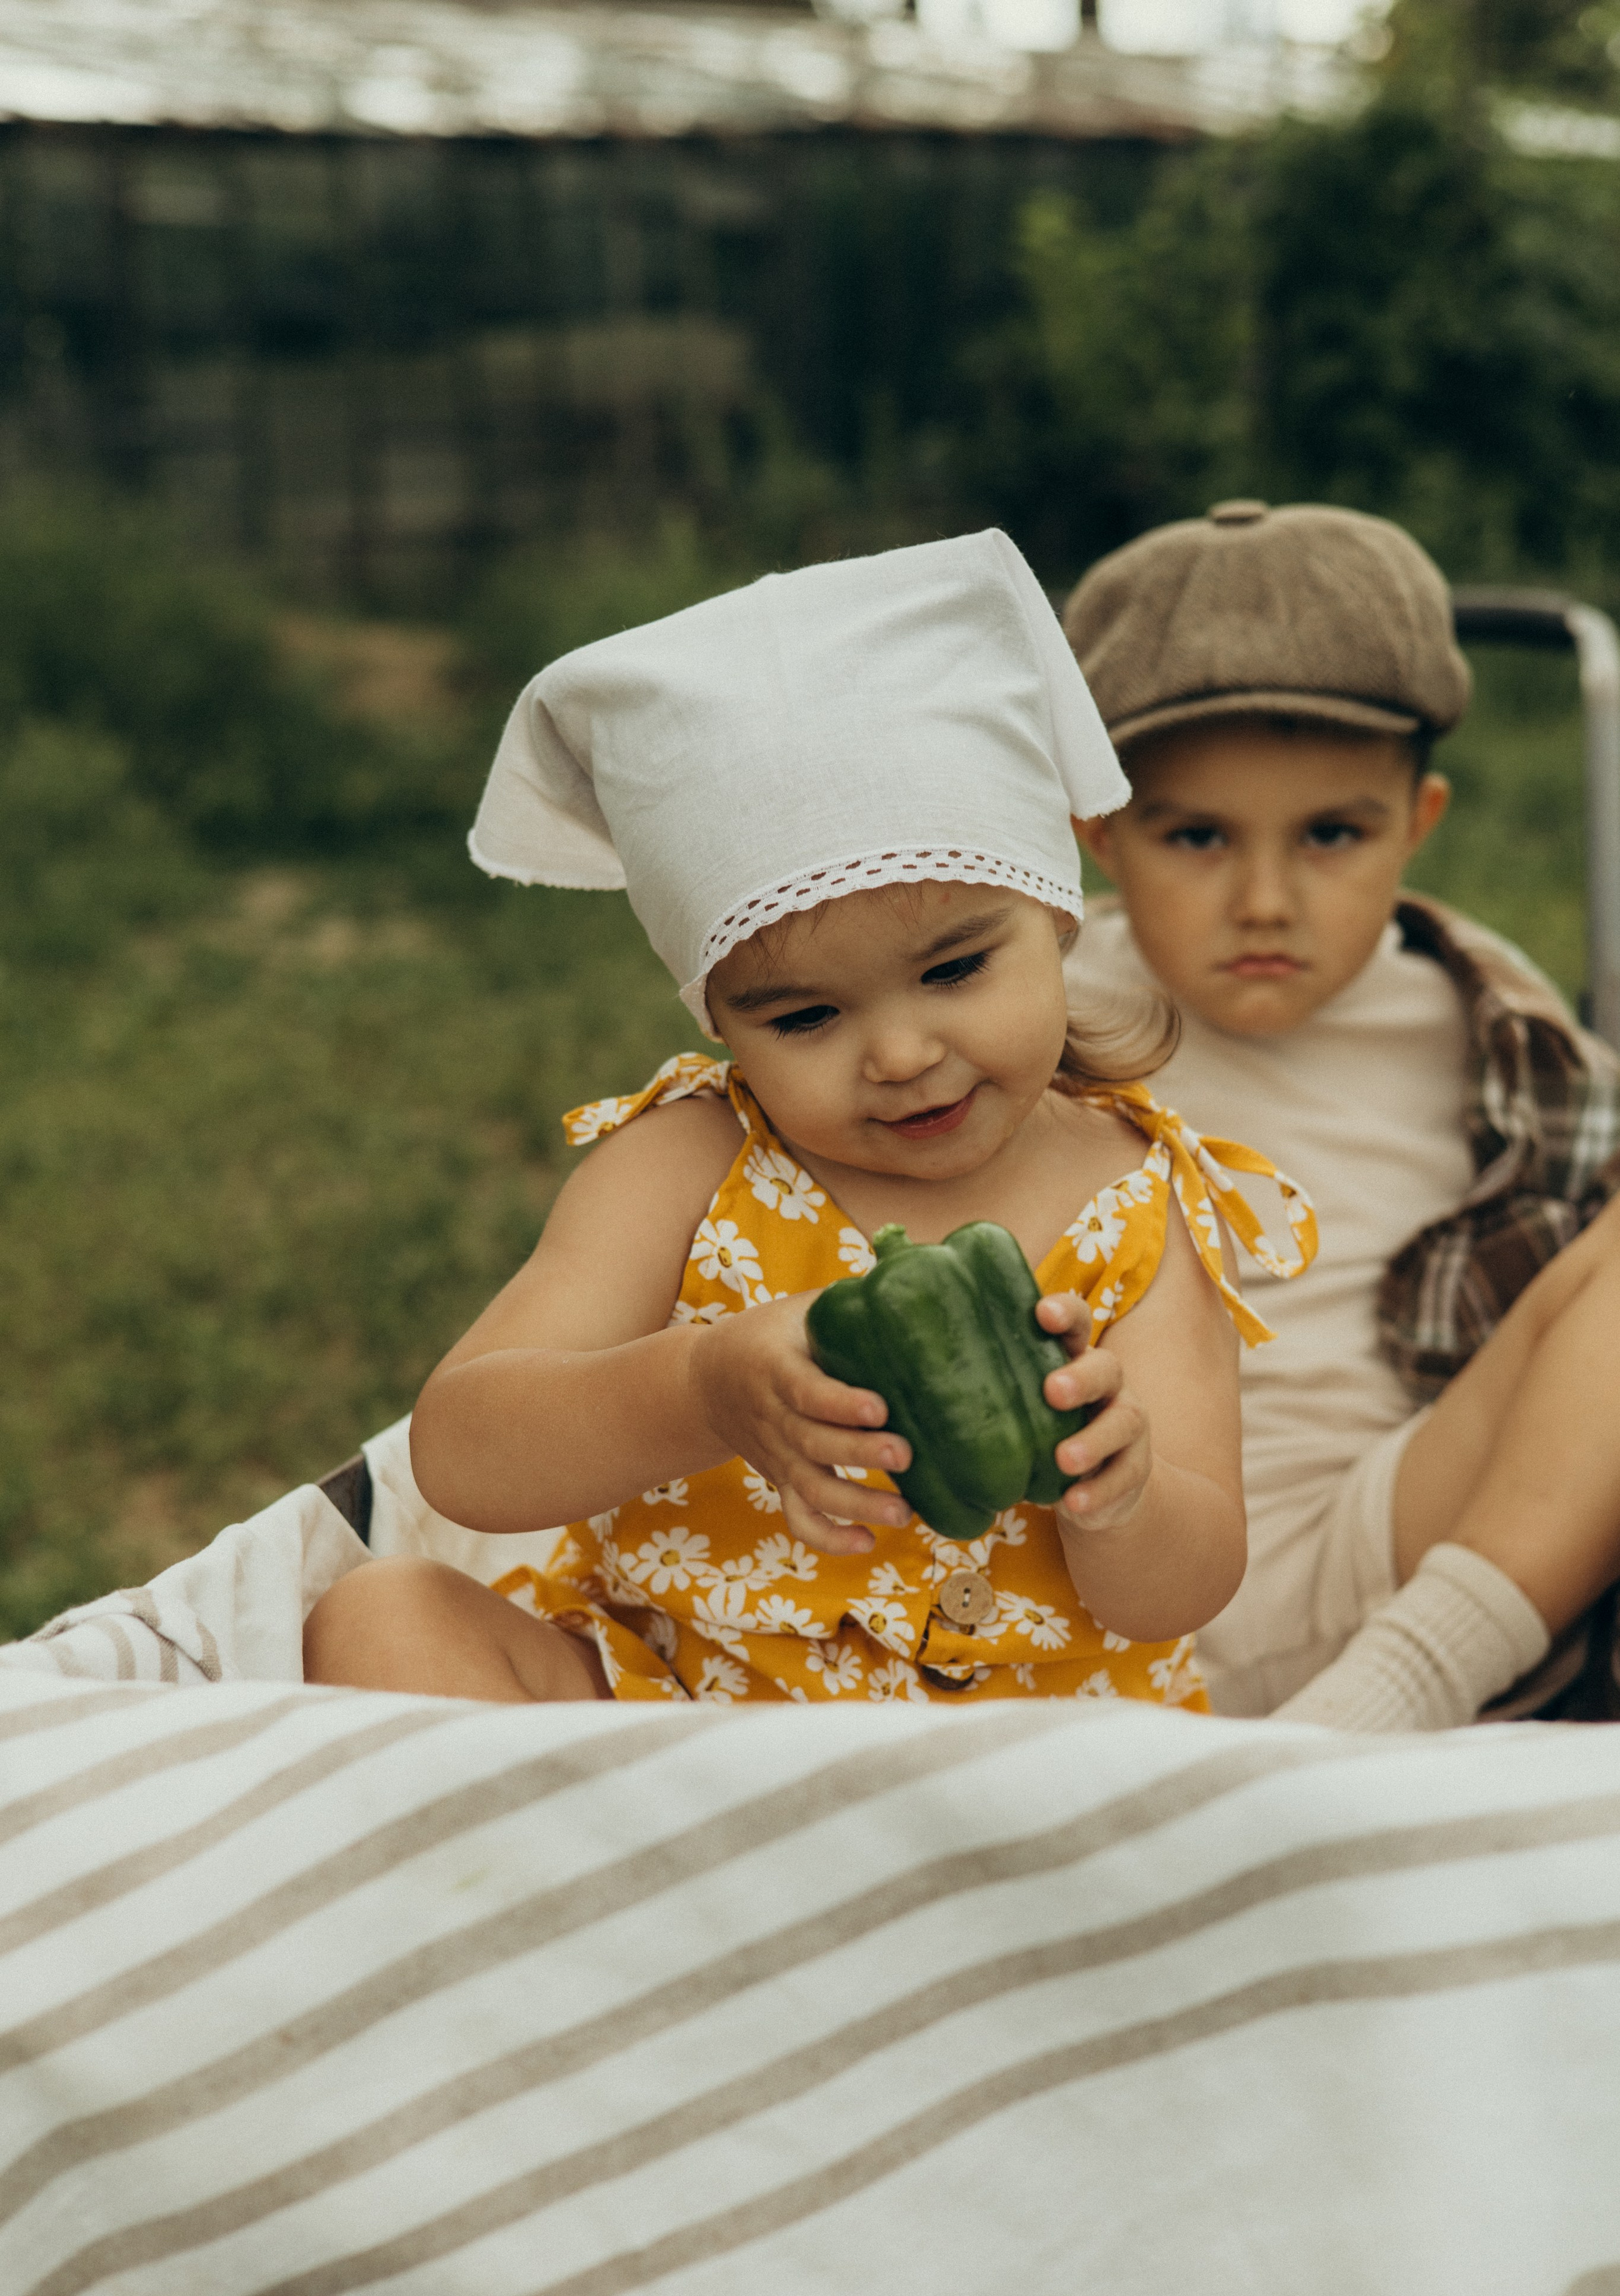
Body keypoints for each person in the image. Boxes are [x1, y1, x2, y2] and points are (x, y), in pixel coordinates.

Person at [304, 530, 1313, 1710]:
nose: (898, 1054)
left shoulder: (1134, 1197)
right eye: (805, 1015)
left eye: (952, 972)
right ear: (720, 1019)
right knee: (384, 1614)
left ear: (1058, 919)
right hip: (683, 1727)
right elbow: (462, 1454)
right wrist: (698, 1388)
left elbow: (1184, 1592)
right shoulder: (688, 1163)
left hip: (1026, 1758)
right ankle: (634, 1888)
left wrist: (1126, 1493)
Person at [1062, 498, 1620, 1730]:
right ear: (1097, 833)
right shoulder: (1032, 1009)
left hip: (1387, 1558)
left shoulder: (1481, 1019)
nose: (1264, 900)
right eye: (1196, 836)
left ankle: (1388, 1701)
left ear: (1414, 826)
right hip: (1083, 1569)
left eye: (1329, 835)